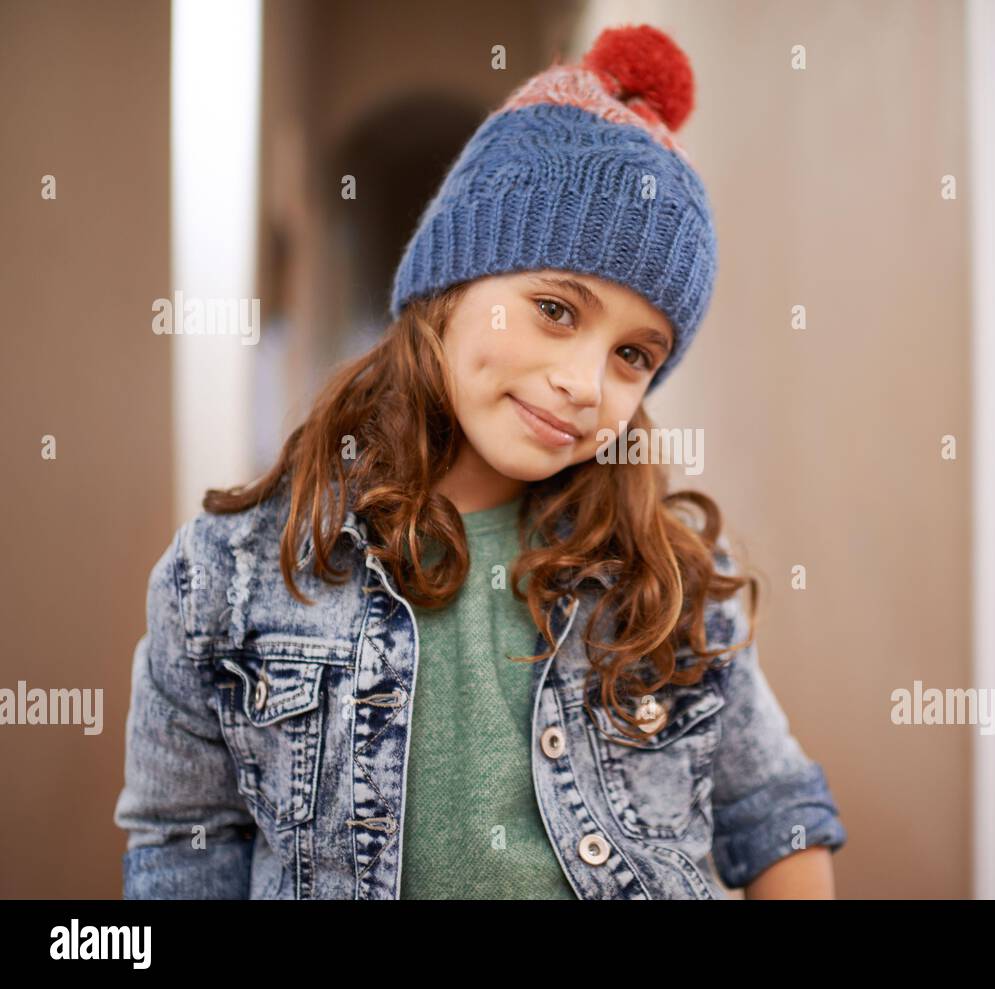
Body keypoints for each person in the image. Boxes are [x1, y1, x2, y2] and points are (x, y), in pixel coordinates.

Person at [113, 23, 846, 899]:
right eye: (555, 309)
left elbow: (776, 814)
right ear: (451, 288)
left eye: (633, 355)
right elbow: (183, 845)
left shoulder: (672, 581)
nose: (585, 384)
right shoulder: (224, 578)